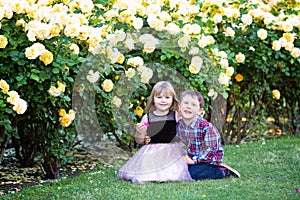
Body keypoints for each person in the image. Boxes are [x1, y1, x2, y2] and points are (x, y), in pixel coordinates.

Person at [117, 81, 192, 184]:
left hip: (171, 151)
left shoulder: (175, 116)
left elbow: (189, 120)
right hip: (152, 152)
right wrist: (140, 132)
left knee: (173, 173)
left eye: (167, 97)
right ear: (153, 99)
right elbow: (139, 141)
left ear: (172, 99)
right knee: (147, 173)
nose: (163, 100)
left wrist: (182, 109)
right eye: (159, 97)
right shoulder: (148, 118)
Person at [177, 89, 240, 180]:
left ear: (200, 111)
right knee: (177, 171)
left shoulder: (206, 127)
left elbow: (209, 150)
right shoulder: (179, 125)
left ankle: (222, 171)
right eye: (186, 103)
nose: (188, 107)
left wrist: (194, 161)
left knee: (193, 174)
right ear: (179, 106)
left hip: (206, 160)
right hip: (189, 159)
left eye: (193, 105)